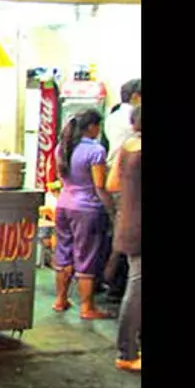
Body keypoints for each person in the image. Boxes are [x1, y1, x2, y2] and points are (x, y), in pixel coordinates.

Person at [52, 108, 115, 320]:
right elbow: (99, 185)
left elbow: (62, 178)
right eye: (98, 126)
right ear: (91, 126)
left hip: (64, 204)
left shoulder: (62, 146)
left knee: (64, 252)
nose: (99, 130)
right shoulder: (95, 150)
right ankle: (87, 307)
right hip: (87, 209)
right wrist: (111, 210)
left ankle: (60, 300)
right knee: (86, 257)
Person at [106, 105, 141, 372]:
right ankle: (127, 352)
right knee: (137, 288)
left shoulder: (127, 146)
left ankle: (130, 348)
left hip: (127, 222)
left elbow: (112, 185)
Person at [105, 79, 141, 167]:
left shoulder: (111, 117)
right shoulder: (136, 117)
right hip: (131, 169)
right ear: (135, 97)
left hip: (113, 166)